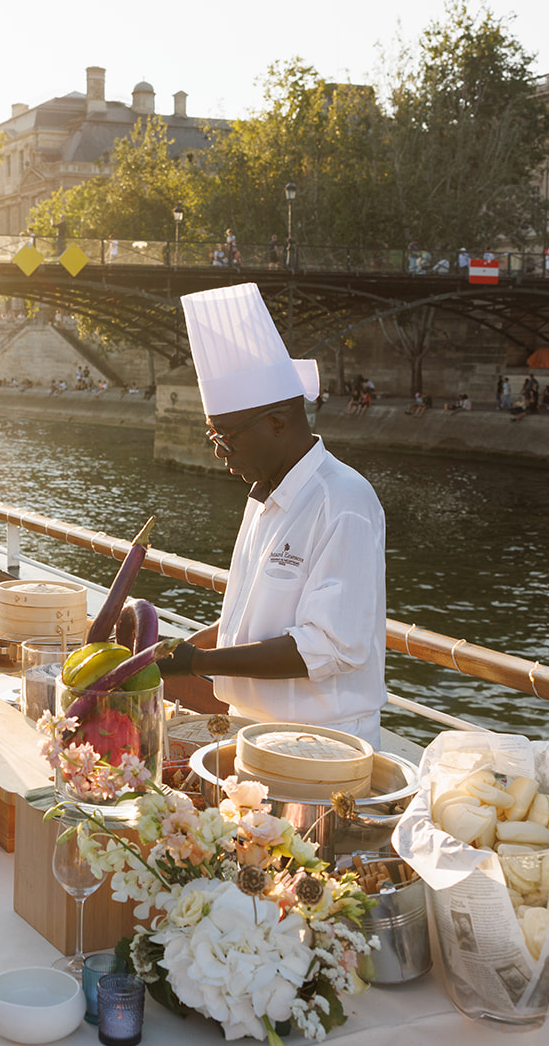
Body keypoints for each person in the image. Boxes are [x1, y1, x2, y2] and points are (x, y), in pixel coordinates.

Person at [158, 282, 386, 750]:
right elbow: (250, 623)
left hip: (322, 744)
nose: (220, 454)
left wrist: (196, 663)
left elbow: (326, 647)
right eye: (213, 438)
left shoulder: (343, 501)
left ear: (277, 423)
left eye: (226, 438)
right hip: (250, 730)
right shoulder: (264, 497)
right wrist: (169, 653)